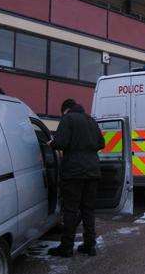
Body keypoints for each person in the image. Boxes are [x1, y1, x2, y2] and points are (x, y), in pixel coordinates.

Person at [48, 99, 105, 258]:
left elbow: (61, 142)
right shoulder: (91, 120)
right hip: (93, 171)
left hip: (73, 172)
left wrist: (52, 144)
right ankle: (90, 246)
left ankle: (66, 248)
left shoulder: (68, 119)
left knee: (71, 210)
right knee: (88, 210)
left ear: (65, 110)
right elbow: (102, 143)